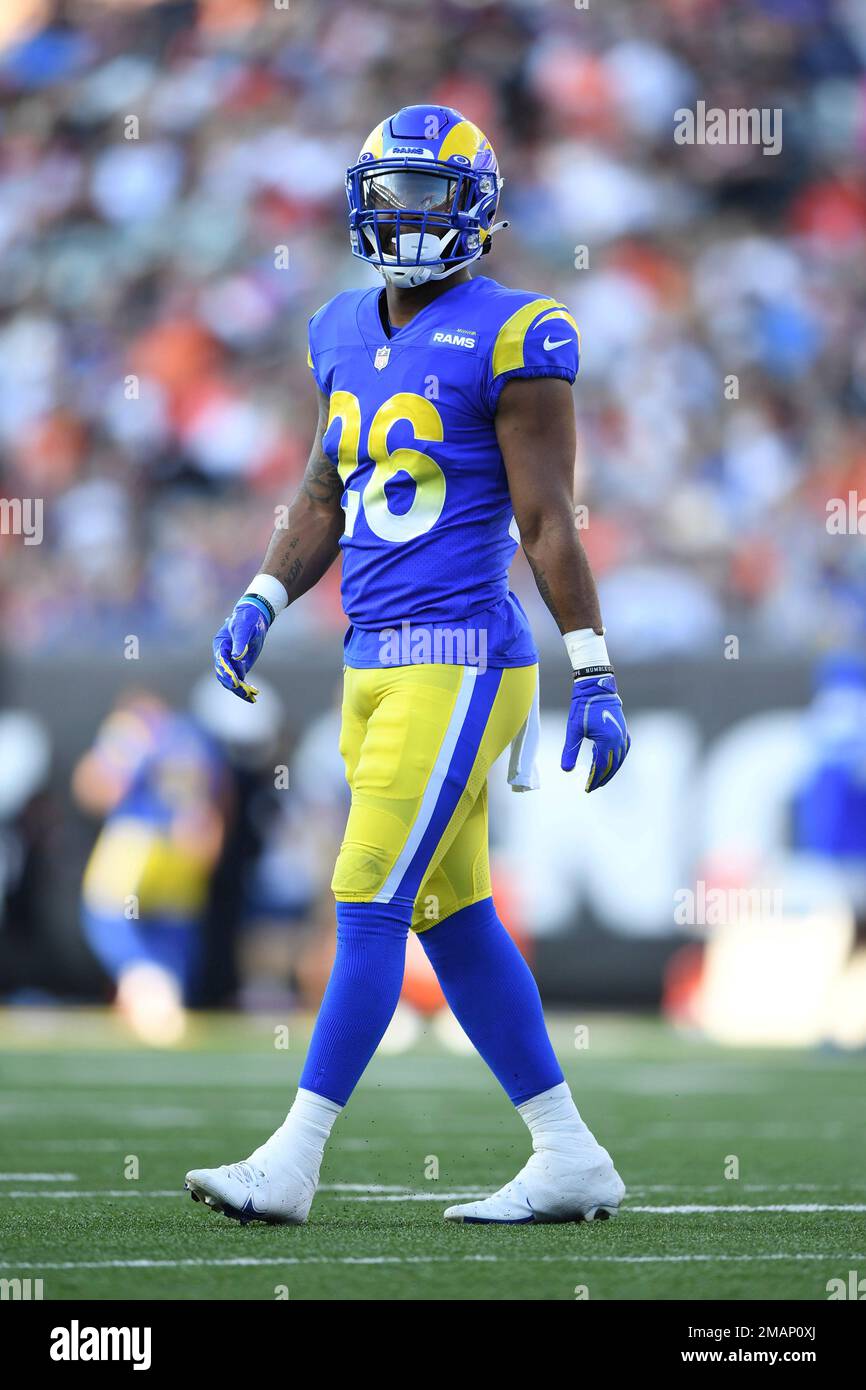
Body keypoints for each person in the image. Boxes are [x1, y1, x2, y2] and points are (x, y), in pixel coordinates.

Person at [186, 105, 630, 1225]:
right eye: (391, 190)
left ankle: (292, 1160)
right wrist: (262, 591)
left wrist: (592, 669)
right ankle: (567, 1152)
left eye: (428, 194)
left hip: (462, 657)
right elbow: (325, 489)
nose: (405, 213)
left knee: (366, 889)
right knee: (452, 912)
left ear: (473, 207)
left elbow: (548, 524)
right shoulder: (336, 326)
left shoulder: (518, 331)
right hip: (371, 657)